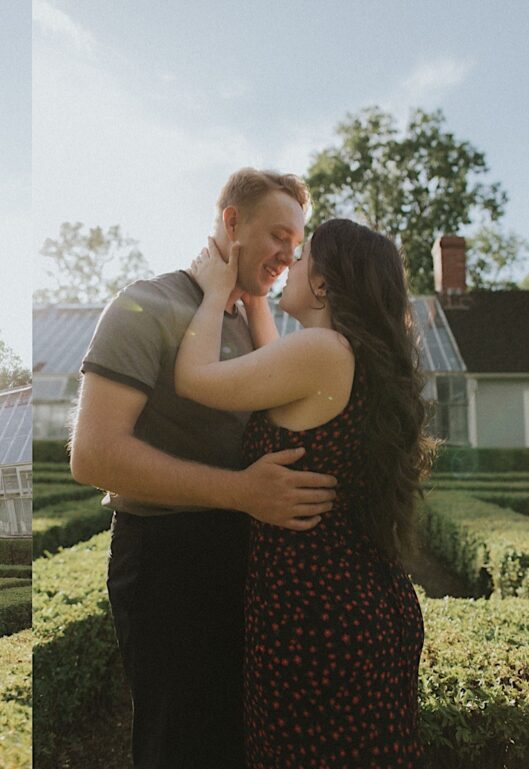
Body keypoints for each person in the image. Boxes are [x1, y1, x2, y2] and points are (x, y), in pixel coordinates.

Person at [70, 168, 339, 769]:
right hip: (172, 562)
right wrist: (242, 492)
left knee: (240, 744)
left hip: (248, 551)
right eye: (277, 237)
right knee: (181, 747)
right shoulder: (147, 304)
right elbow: (93, 454)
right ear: (232, 222)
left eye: (296, 246)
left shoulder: (254, 319)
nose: (287, 257)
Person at [175, 219, 434, 767]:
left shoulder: (321, 351)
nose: (287, 263)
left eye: (301, 257)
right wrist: (257, 304)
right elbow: (275, 378)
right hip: (355, 604)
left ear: (323, 285)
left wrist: (218, 291)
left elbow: (194, 379)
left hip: (316, 618)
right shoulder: (343, 356)